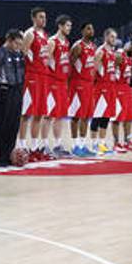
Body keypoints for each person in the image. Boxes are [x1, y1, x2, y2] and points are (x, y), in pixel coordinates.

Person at [19, 7, 52, 162]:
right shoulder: (29, 34)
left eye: (44, 17)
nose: (43, 20)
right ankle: (21, 146)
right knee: (26, 113)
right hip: (32, 76)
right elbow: (23, 52)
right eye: (40, 17)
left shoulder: (45, 36)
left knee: (39, 113)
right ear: (33, 18)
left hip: (43, 77)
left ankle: (33, 147)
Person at [0, 30, 25, 167]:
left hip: (17, 90)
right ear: (9, 40)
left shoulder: (19, 53)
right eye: (16, 43)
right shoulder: (0, 53)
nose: (18, 46)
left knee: (13, 125)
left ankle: (8, 154)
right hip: (3, 90)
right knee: (1, 124)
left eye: (20, 44)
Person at [44, 14, 73, 158]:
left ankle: (57, 145)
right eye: (67, 25)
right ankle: (42, 145)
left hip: (62, 82)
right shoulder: (52, 41)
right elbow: (45, 61)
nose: (69, 28)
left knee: (60, 115)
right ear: (60, 26)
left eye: (70, 26)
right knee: (49, 115)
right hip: (52, 82)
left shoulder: (66, 42)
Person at [68, 22, 98, 156]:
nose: (91, 31)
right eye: (88, 28)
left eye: (92, 28)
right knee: (76, 116)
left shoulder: (93, 46)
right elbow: (69, 66)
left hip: (89, 85)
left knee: (86, 116)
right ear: (82, 31)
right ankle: (74, 146)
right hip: (77, 83)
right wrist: (68, 86)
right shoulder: (77, 46)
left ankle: (82, 144)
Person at [91, 28, 119, 156]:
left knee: (106, 117)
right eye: (112, 37)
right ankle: (94, 144)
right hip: (101, 87)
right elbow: (93, 70)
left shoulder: (112, 52)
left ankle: (102, 143)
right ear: (106, 37)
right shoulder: (100, 51)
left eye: (115, 37)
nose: (114, 39)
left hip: (111, 87)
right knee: (97, 116)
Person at [112, 40, 132, 153]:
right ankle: (116, 143)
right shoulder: (119, 55)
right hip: (117, 87)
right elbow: (109, 71)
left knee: (128, 116)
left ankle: (127, 141)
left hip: (126, 87)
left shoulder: (129, 57)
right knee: (117, 117)